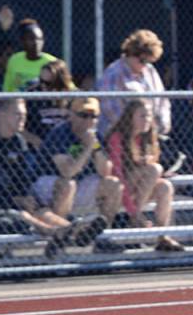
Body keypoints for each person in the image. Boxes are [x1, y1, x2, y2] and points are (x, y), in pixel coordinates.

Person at [0, 98, 106, 257]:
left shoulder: (18, 140)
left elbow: (22, 176)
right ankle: (61, 231)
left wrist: (26, 196)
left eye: (24, 115)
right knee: (24, 214)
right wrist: (16, 199)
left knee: (41, 211)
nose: (22, 119)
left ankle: (72, 230)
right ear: (1, 115)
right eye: (17, 114)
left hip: (13, 196)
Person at [32, 96, 124, 252]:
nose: (88, 120)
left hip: (79, 185)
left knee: (113, 184)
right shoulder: (60, 133)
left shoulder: (95, 137)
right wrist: (88, 148)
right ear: (71, 115)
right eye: (83, 115)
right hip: (48, 184)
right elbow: (67, 171)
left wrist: (94, 146)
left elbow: (105, 171)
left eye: (93, 116)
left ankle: (101, 237)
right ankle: (59, 238)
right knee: (68, 184)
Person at [105, 99, 183, 251]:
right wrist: (133, 211)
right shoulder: (117, 137)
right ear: (130, 117)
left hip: (139, 190)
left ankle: (163, 236)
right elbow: (118, 174)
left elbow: (152, 168)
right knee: (154, 169)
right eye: (142, 116)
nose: (147, 120)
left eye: (149, 116)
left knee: (165, 187)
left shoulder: (147, 138)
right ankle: (135, 217)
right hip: (118, 189)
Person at [96, 29, 171, 138]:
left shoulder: (149, 70)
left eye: (149, 62)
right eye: (142, 61)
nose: (145, 66)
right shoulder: (114, 74)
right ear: (130, 54)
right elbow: (113, 113)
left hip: (151, 135)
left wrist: (161, 126)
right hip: (118, 137)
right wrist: (139, 128)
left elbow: (162, 101)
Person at [23, 58, 77, 148]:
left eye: (48, 83)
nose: (43, 87)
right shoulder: (32, 96)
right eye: (41, 81)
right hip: (39, 148)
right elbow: (18, 126)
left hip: (67, 146)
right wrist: (33, 139)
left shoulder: (74, 98)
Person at [2, 18, 57, 92]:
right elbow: (7, 89)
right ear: (22, 41)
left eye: (40, 39)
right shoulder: (14, 60)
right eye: (31, 39)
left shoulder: (52, 62)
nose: (36, 43)